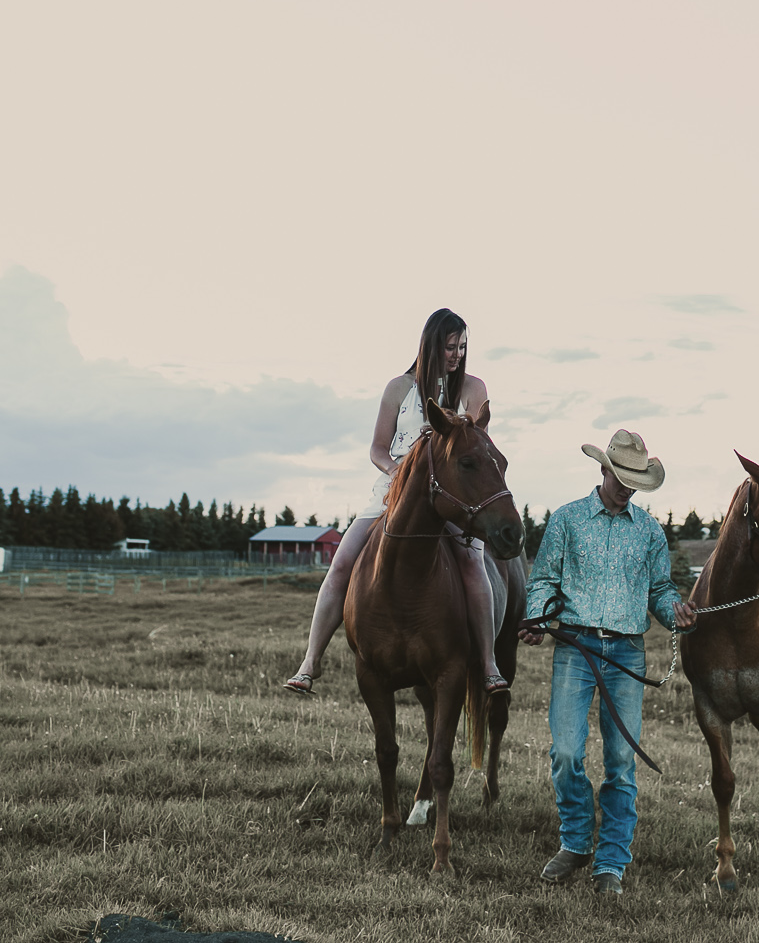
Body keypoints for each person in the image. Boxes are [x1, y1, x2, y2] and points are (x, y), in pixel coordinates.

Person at [285, 309, 508, 696]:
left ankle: (488, 663)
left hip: (449, 492)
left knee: (474, 563)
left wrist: (440, 440)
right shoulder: (397, 388)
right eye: (450, 346)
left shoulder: (473, 389)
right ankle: (310, 661)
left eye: (463, 347)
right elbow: (377, 448)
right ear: (430, 345)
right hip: (393, 490)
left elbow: (471, 443)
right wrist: (396, 475)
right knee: (341, 564)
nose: (457, 354)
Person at [521, 429, 697, 897]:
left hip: (626, 652)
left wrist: (675, 613)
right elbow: (543, 580)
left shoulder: (650, 532)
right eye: (621, 476)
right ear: (602, 469)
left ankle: (610, 864)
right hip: (576, 648)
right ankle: (576, 841)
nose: (627, 486)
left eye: (635, 479)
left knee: (621, 761)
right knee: (565, 753)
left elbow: (660, 590)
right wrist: (536, 618)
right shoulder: (567, 520)